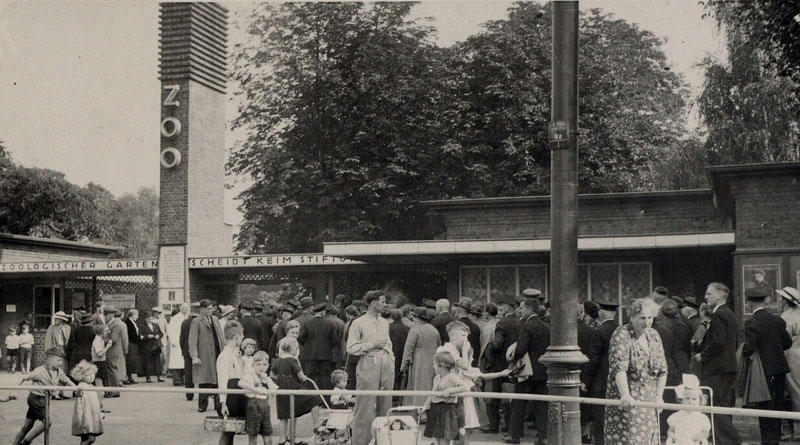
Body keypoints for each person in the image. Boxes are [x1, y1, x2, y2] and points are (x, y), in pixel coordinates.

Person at [604, 298, 667, 445]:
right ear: (632, 317)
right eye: (642, 318)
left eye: (650, 318)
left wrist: (659, 396)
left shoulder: (654, 335)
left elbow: (663, 370)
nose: (647, 322)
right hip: (628, 402)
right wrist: (625, 395)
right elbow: (618, 368)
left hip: (649, 402)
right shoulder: (622, 334)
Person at [741, 286, 792, 445]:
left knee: (764, 404)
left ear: (749, 303)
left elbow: (749, 348)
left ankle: (767, 440)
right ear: (765, 301)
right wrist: (774, 350)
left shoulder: (751, 322)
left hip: (762, 371)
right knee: (778, 404)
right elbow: (787, 342)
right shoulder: (778, 320)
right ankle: (775, 438)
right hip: (779, 368)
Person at [693, 282, 741, 444]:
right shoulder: (729, 313)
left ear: (720, 295)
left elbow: (718, 342)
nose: (705, 297)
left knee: (715, 405)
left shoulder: (719, 314)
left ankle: (732, 440)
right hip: (726, 367)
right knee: (723, 406)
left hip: (717, 368)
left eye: (709, 294)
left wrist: (702, 355)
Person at [346, 290, 395, 445]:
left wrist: (390, 358)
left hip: (386, 363)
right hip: (368, 363)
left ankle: (383, 440)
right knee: (364, 405)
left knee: (385, 404)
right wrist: (371, 345)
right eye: (382, 301)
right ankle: (359, 441)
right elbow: (351, 347)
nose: (385, 304)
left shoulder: (385, 322)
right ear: (373, 304)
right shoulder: (359, 322)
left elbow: (388, 343)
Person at [505, 298, 549, 445]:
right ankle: (544, 436)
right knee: (542, 404)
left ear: (529, 309)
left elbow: (521, 349)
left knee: (518, 402)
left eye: (522, 308)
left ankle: (515, 435)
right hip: (542, 371)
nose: (520, 311)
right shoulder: (546, 326)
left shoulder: (526, 326)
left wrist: (512, 357)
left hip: (526, 371)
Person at [12, 347, 77, 445]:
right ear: (49, 360)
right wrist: (15, 391)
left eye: (61, 360)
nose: (61, 363)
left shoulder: (59, 371)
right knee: (48, 422)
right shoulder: (40, 371)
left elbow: (67, 380)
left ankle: (15, 444)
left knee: (28, 425)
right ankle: (26, 442)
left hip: (44, 399)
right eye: (58, 360)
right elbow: (24, 377)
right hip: (36, 398)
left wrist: (76, 388)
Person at [271, 336, 323, 444]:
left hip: (282, 391)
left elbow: (272, 375)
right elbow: (301, 376)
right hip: (294, 390)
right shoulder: (293, 360)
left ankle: (282, 439)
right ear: (292, 349)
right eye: (296, 349)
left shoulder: (278, 361)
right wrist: (303, 378)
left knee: (283, 416)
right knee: (315, 400)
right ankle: (316, 424)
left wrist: (282, 378)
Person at [581, 300, 619, 445]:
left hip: (600, 382)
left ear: (601, 312)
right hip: (617, 381)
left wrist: (586, 380)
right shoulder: (622, 330)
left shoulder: (600, 331)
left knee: (600, 418)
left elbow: (593, 359)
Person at [480, 294, 518, 434]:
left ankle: (493, 425)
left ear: (508, 306)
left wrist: (488, 349)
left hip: (499, 365)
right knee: (511, 397)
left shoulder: (502, 323)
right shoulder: (519, 321)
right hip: (514, 364)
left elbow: (496, 344)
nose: (500, 308)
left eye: (501, 305)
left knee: (494, 396)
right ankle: (509, 426)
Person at [654, 299, 692, 437]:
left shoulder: (660, 327)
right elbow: (687, 346)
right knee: (680, 395)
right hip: (681, 362)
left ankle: (665, 428)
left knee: (666, 394)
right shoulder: (684, 325)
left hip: (667, 362)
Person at [422, 352, 472, 445]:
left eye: (435, 365)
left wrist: (450, 390)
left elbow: (466, 387)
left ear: (442, 366)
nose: (433, 367)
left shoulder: (452, 377)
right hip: (435, 409)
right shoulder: (437, 378)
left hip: (447, 410)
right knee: (437, 437)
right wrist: (425, 406)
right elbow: (432, 393)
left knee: (445, 438)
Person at [189, 299, 225, 414]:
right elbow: (192, 340)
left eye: (212, 309)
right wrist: (194, 355)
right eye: (208, 309)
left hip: (217, 352)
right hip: (204, 354)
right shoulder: (197, 321)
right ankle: (202, 405)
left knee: (217, 379)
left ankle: (218, 404)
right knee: (204, 379)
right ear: (202, 309)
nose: (211, 311)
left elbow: (220, 336)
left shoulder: (215, 319)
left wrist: (224, 350)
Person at [401, 307, 440, 406]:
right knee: (430, 384)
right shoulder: (434, 330)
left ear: (417, 318)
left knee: (417, 385)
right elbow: (439, 346)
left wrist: (404, 364)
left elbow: (408, 349)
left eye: (413, 317)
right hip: (432, 362)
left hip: (418, 361)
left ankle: (417, 407)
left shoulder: (415, 330)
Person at [216, 321, 248, 445]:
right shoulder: (225, 356)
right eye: (241, 337)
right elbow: (222, 380)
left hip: (237, 392)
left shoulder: (236, 354)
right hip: (230, 394)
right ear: (236, 338)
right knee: (228, 430)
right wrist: (223, 402)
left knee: (232, 429)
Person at [239, 350, 279, 445]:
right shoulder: (249, 376)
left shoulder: (266, 378)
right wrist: (254, 389)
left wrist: (266, 379)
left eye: (264, 364)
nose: (262, 367)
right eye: (259, 364)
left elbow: (274, 392)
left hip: (265, 412)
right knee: (253, 439)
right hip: (253, 411)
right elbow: (240, 383)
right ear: (253, 365)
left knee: (268, 439)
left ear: (268, 366)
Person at [298, 302, 341, 391]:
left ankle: (308, 401)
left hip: (310, 355)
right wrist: (327, 347)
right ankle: (326, 401)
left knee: (309, 377)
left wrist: (308, 346)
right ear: (323, 312)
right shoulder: (330, 323)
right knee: (325, 378)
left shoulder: (307, 323)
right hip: (325, 356)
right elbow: (335, 340)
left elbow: (301, 339)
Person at [778, 286, 800, 440]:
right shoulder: (798, 315)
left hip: (789, 357)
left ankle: (795, 430)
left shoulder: (785, 318)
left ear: (785, 300)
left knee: (793, 393)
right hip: (798, 355)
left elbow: (783, 341)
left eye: (781, 298)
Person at [665, 374, 710, 445]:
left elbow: (706, 434)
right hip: (679, 442)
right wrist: (672, 435)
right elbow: (670, 431)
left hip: (694, 442)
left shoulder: (701, 417)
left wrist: (700, 436)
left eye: (694, 399)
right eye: (687, 398)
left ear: (700, 401)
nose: (690, 402)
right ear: (681, 400)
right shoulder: (676, 416)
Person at [70, 360, 103, 445]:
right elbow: (79, 402)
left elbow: (96, 402)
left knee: (86, 438)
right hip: (85, 417)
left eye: (93, 374)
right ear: (82, 376)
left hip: (92, 416)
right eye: (88, 375)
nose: (91, 377)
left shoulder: (91, 386)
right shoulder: (81, 386)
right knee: (91, 438)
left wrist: (100, 412)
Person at [104, 307, 127, 398]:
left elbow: (113, 339)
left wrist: (101, 340)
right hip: (109, 351)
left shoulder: (115, 324)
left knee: (112, 370)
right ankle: (111, 390)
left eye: (106, 315)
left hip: (112, 351)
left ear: (110, 315)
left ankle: (114, 391)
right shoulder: (110, 324)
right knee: (110, 371)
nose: (105, 317)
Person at [453, 298, 481, 367]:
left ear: (459, 309)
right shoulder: (475, 326)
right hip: (471, 361)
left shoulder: (455, 325)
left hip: (458, 362)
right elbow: (477, 347)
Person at [388, 308, 409, 396]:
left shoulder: (389, 327)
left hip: (392, 352)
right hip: (403, 353)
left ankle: (393, 393)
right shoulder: (407, 328)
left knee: (392, 373)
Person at [167, 303, 189, 385]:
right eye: (184, 308)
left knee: (182, 362)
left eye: (187, 308)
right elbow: (170, 330)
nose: (185, 309)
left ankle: (182, 379)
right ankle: (177, 380)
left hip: (183, 342)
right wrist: (172, 341)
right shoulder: (175, 318)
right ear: (180, 308)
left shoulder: (186, 317)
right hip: (176, 342)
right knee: (176, 362)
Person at [140, 310, 164, 382]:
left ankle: (159, 376)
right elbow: (140, 336)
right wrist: (147, 336)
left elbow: (161, 333)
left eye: (150, 318)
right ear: (145, 319)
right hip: (147, 345)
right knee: (148, 361)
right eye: (148, 319)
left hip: (156, 345)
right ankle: (148, 376)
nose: (149, 320)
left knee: (157, 361)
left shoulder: (156, 325)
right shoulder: (142, 326)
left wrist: (158, 336)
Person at [180, 309, 198, 401]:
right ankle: (204, 394)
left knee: (188, 373)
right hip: (199, 351)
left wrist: (183, 350)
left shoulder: (184, 323)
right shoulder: (200, 322)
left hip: (187, 351)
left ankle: (189, 394)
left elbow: (182, 339)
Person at [123, 309, 141, 384]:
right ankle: (127, 377)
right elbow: (129, 334)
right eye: (136, 315)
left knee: (132, 361)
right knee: (129, 360)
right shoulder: (127, 322)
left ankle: (130, 377)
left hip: (133, 343)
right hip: (130, 343)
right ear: (132, 315)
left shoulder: (132, 322)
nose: (137, 317)